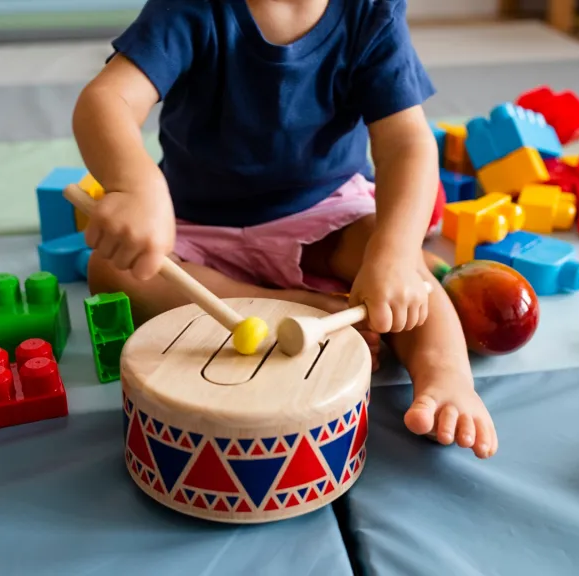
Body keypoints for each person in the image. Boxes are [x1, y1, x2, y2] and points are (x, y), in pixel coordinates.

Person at [72, 0, 497, 459]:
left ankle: (444, 375)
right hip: (196, 222)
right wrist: (136, 186)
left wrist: (392, 254)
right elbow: (107, 99)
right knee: (114, 271)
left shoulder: (370, 11)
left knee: (402, 263)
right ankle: (301, 307)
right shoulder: (188, 7)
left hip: (324, 212)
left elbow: (406, 144)